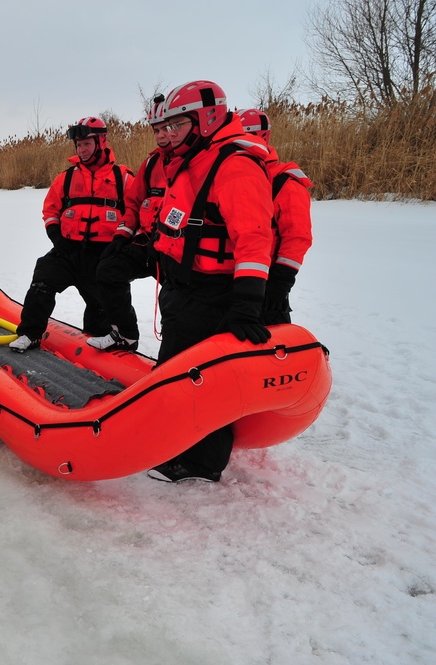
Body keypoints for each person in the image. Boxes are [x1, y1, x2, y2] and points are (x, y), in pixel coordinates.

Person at [143, 80, 275, 483]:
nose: (171, 134)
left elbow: (253, 238)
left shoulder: (233, 165)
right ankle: (179, 444)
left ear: (205, 119)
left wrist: (247, 303)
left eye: (179, 125)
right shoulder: (195, 160)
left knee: (200, 379)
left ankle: (200, 463)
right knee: (176, 372)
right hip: (185, 292)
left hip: (212, 295)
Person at [8, 117, 136, 353]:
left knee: (103, 304)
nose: (82, 149)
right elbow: (50, 210)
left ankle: (105, 344)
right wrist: (56, 237)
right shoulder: (65, 178)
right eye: (78, 145)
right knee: (42, 280)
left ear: (101, 142)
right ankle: (30, 334)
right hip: (68, 249)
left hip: (104, 254)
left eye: (86, 143)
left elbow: (135, 212)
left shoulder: (124, 178)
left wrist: (121, 242)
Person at [88, 98, 171, 349]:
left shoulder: (196, 165)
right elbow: (134, 203)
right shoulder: (151, 164)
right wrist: (122, 235)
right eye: (156, 130)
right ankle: (125, 334)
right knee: (108, 271)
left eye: (166, 128)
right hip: (147, 243)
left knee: (174, 303)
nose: (161, 136)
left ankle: (177, 352)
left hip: (177, 249)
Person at [237, 108, 314, 324]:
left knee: (270, 346)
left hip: (268, 282)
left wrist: (280, 283)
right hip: (233, 280)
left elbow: (297, 237)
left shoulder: (285, 184)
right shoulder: (233, 178)